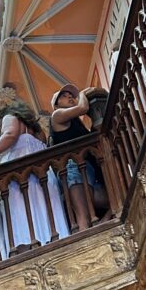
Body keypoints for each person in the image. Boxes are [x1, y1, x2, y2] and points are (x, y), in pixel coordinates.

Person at [0, 100, 68, 252]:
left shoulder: (10, 117)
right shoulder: (38, 131)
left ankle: (27, 244)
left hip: (20, 172)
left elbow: (10, 134)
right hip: (42, 173)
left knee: (21, 208)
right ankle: (51, 237)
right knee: (45, 204)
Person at [49, 84, 105, 231]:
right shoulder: (57, 115)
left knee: (111, 201)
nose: (69, 97)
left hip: (88, 169)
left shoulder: (76, 123)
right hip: (73, 168)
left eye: (71, 96)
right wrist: (82, 93)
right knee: (83, 216)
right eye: (63, 96)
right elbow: (83, 109)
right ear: (56, 104)